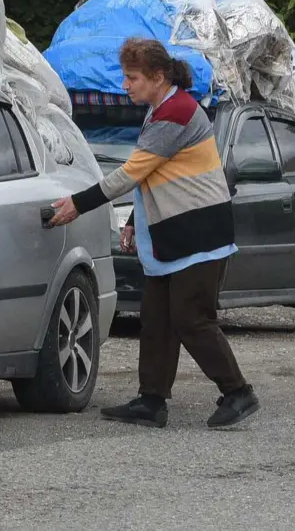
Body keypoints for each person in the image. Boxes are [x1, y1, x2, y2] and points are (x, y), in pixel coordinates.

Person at [48, 38, 259, 429]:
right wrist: (133, 222)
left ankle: (237, 392)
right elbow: (160, 175)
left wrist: (78, 203)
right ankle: (151, 400)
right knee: (157, 319)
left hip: (199, 236)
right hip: (175, 236)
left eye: (132, 78)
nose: (125, 86)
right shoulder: (161, 108)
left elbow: (131, 173)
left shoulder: (176, 112)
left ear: (158, 77)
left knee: (191, 318)